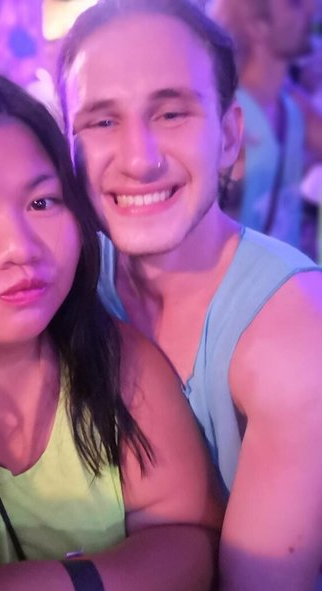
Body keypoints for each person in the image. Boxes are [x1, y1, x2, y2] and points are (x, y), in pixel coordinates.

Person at [0, 63, 222, 591]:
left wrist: (57, 583)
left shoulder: (118, 364)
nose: (19, 249)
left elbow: (190, 538)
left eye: (42, 201)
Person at [57, 0, 322, 589]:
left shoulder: (296, 330)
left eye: (172, 113)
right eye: (102, 121)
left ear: (229, 138)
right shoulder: (62, 281)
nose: (140, 160)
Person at [209, 0, 322, 252]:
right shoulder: (224, 118)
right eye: (294, 4)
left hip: (285, 271)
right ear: (256, 25)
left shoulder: (291, 108)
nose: (311, 9)